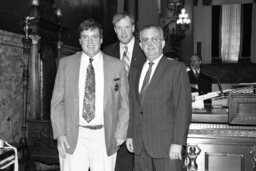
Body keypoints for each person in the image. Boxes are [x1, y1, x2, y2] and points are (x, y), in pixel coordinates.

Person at [50, 18, 129, 171]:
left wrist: (121, 132)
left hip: (105, 136)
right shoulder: (65, 64)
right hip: (73, 136)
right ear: (80, 41)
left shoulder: (117, 66)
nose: (90, 42)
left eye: (94, 37)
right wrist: (60, 134)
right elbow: (57, 103)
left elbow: (124, 103)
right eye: (85, 37)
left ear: (101, 39)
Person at [126, 25, 192, 171]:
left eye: (154, 39)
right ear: (140, 45)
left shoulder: (176, 68)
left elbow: (183, 108)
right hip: (140, 143)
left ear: (162, 43)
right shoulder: (135, 72)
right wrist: (130, 135)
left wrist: (178, 142)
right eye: (145, 40)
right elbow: (133, 107)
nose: (149, 44)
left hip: (167, 145)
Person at [103, 12, 146, 171]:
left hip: (139, 117)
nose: (123, 32)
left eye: (127, 27)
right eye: (119, 28)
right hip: (115, 119)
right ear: (114, 30)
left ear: (133, 28)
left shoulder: (145, 49)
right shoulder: (107, 52)